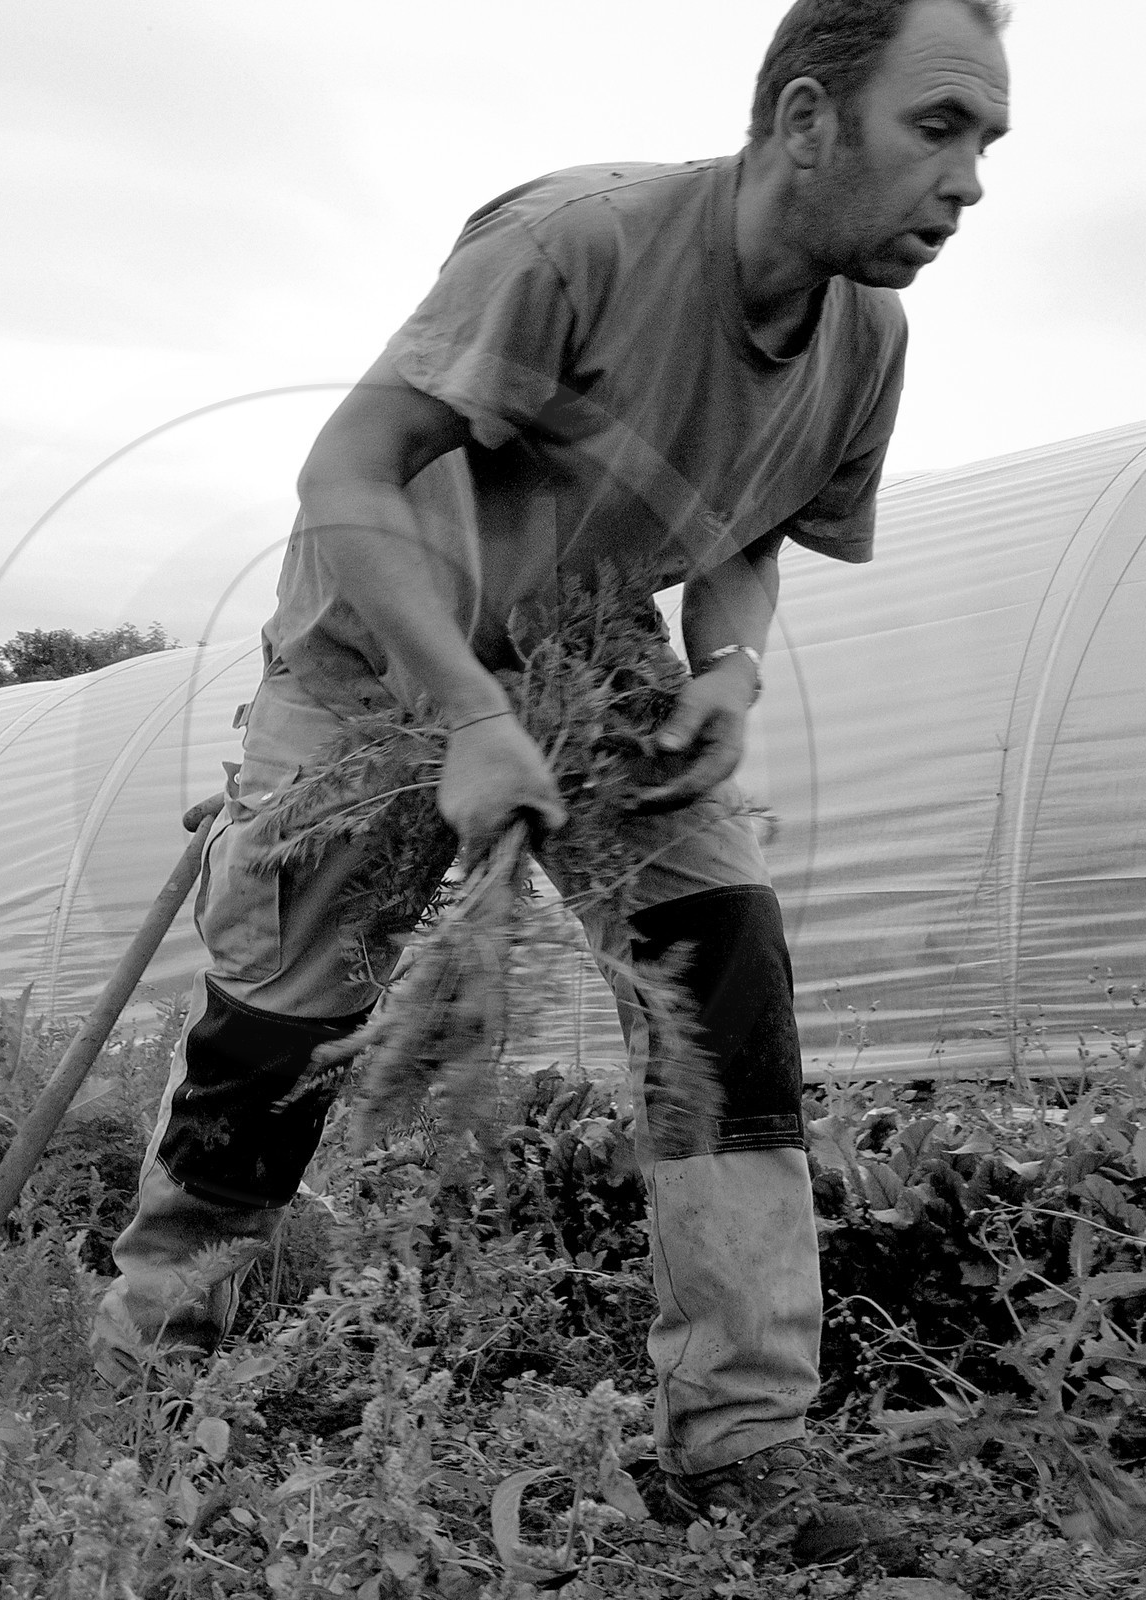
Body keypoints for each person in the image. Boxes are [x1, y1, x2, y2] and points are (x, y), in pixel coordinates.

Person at [95, 0, 1010, 1546]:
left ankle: (739, 1439)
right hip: (376, 665)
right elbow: (345, 469)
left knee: (724, 984)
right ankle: (159, 1352)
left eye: (987, 142)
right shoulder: (578, 244)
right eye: (939, 127)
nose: (972, 183)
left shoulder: (870, 339)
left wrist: (729, 663)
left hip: (597, 669)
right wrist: (462, 719)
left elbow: (749, 528)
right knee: (287, 1019)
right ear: (803, 118)